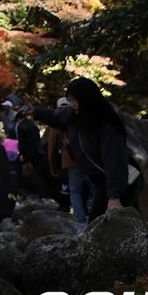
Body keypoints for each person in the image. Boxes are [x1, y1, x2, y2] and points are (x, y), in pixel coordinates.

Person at [25, 77, 131, 220]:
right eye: (70, 100)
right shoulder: (73, 116)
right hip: (97, 178)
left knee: (101, 221)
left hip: (118, 179)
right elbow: (54, 116)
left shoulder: (106, 125)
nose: (72, 104)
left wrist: (114, 197)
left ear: (87, 100)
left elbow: (115, 163)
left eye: (75, 100)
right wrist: (35, 111)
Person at [44, 95, 90, 224]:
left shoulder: (57, 121)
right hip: (88, 158)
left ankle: (80, 221)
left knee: (74, 191)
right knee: (93, 187)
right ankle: (96, 215)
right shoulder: (80, 117)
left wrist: (53, 167)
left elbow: (52, 146)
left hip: (70, 160)